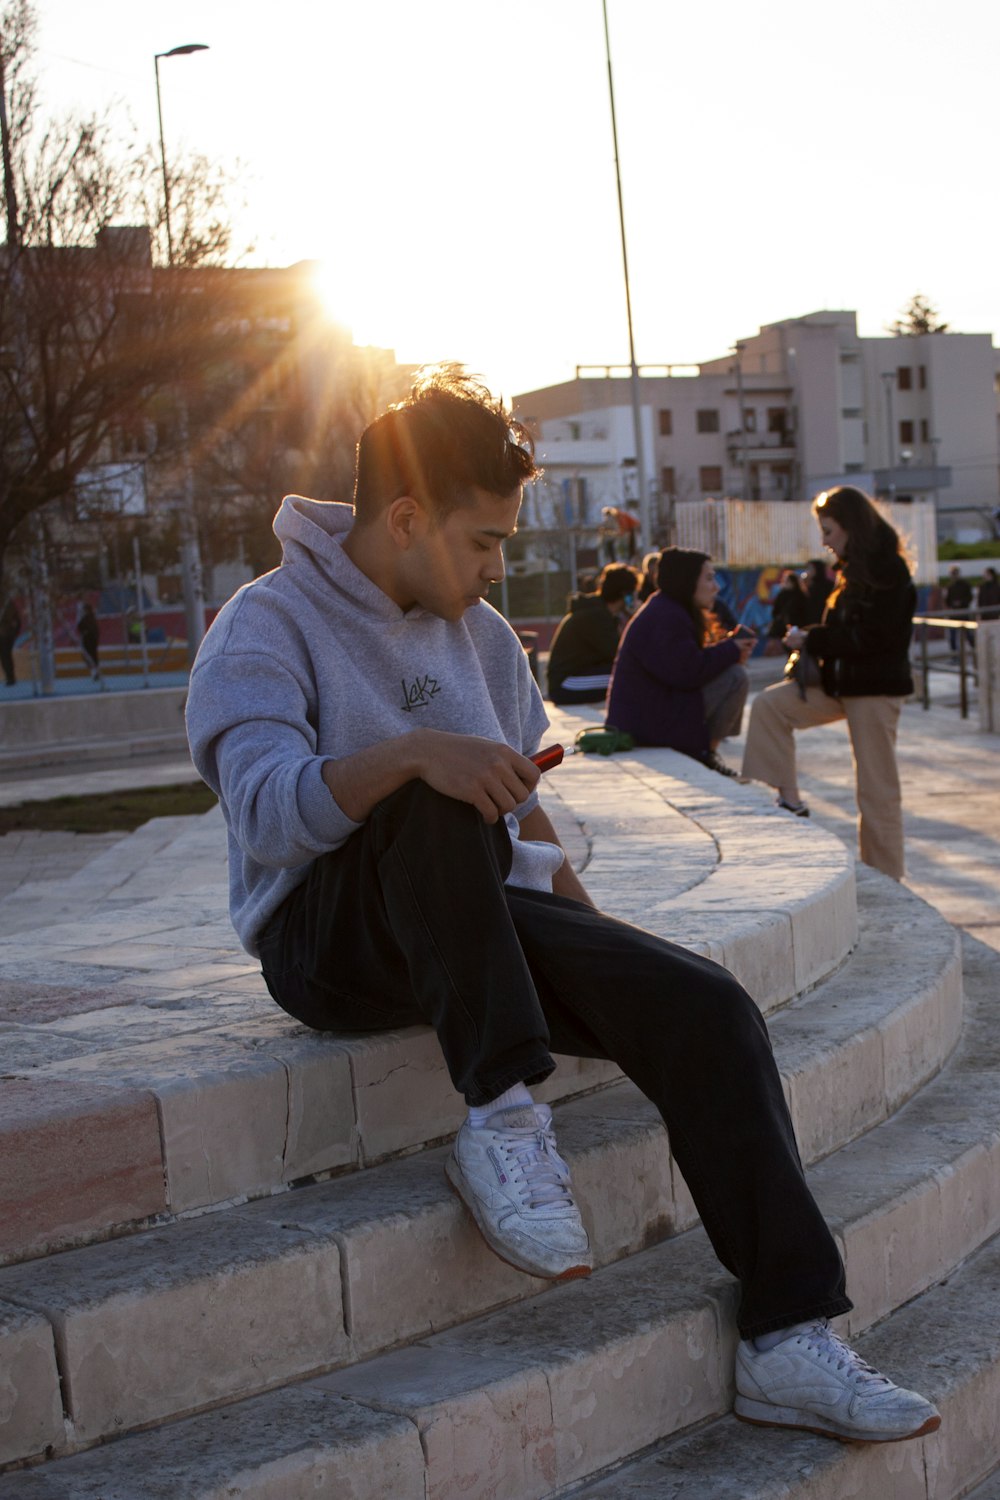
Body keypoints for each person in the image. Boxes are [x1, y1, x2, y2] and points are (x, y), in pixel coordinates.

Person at [185, 369, 938, 1445]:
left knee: (703, 1004)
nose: (498, 569)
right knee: (429, 799)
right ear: (406, 518)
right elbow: (265, 813)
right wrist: (410, 755)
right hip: (327, 936)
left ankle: (788, 1337)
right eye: (483, 541)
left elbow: (522, 817)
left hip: (462, 918)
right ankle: (499, 1115)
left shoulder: (483, 640)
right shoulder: (265, 625)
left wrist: (606, 950)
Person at [741, 486, 915, 879]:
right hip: (840, 685)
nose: (824, 541)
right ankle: (785, 803)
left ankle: (887, 877)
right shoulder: (851, 570)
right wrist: (809, 636)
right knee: (770, 707)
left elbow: (876, 638)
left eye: (829, 531)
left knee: (876, 789)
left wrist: (813, 638)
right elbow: (848, 630)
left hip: (874, 690)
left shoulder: (887, 569)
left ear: (853, 527)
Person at [605, 547, 755, 778]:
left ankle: (707, 754)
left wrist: (730, 648)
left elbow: (685, 664)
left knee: (731, 670)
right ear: (687, 581)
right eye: (708, 578)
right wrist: (731, 650)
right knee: (735, 677)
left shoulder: (670, 609)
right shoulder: (666, 616)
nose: (716, 587)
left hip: (649, 713)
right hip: (645, 723)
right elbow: (688, 672)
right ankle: (707, 755)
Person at [546, 563, 638, 705]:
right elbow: (620, 655)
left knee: (629, 673)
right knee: (629, 675)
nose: (633, 598)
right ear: (624, 594)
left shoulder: (599, 612)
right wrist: (637, 617)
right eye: (632, 594)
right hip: (565, 685)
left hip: (572, 678)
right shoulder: (595, 616)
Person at [767, 570, 809, 649]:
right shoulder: (782, 595)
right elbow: (775, 611)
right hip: (784, 628)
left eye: (788, 581)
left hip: (798, 627)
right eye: (785, 581)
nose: (786, 583)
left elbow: (804, 611)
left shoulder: (800, 595)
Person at [944, 565, 972, 652]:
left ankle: (975, 650)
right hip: (954, 613)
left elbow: (969, 597)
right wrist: (952, 604)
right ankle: (954, 653)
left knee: (968, 634)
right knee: (953, 636)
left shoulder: (965, 585)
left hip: (963, 612)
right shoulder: (950, 586)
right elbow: (947, 599)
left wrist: (961, 603)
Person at [801, 558, 833, 627]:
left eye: (810, 568)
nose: (808, 571)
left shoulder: (827, 585)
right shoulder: (809, 585)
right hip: (810, 621)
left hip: (822, 622)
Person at [77, 601, 101, 681]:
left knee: (86, 656)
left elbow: (79, 627)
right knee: (94, 656)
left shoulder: (86, 618)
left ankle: (94, 672)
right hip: (93, 638)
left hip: (87, 638)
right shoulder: (92, 618)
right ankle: (96, 671)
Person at [0, 597, 21, 687]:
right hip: (7, 634)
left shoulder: (8, 604)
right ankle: (10, 678)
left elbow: (16, 619)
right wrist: (15, 632)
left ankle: (10, 678)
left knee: (5, 656)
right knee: (6, 656)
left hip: (4, 634)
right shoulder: (9, 603)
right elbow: (17, 619)